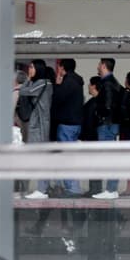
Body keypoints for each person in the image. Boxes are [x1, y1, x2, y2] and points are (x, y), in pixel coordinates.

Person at [19, 59, 54, 200]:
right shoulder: (41, 83)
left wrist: (27, 80)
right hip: (37, 124)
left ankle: (42, 189)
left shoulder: (42, 83)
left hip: (40, 126)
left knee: (41, 158)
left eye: (32, 68)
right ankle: (42, 187)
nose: (30, 70)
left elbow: (23, 91)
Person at [49, 59, 84, 198]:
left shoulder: (68, 82)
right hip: (76, 124)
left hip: (67, 124)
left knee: (66, 157)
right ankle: (73, 187)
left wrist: (57, 85)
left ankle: (73, 189)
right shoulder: (78, 81)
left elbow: (58, 98)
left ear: (62, 68)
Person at [93, 57, 123, 199]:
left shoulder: (107, 83)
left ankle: (111, 190)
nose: (97, 66)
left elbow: (108, 105)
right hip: (112, 123)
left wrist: (101, 114)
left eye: (99, 64)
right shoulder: (115, 82)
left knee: (108, 159)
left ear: (104, 66)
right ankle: (111, 189)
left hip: (107, 124)